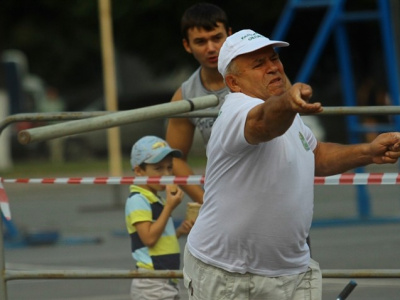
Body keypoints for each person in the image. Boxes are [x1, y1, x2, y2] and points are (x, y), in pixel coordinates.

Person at [183, 29, 400, 300]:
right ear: (234, 83)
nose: (272, 67)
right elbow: (263, 123)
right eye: (258, 64)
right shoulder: (237, 109)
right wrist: (287, 101)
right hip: (229, 275)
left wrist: (368, 152)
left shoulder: (284, 111)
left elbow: (316, 155)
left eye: (273, 59)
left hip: (291, 273)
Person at [165, 2, 232, 204]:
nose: (211, 48)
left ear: (229, 34)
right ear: (187, 45)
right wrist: (206, 201)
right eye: (201, 41)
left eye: (217, 38)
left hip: (274, 191)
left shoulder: (261, 73)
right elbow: (174, 158)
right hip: (226, 197)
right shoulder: (185, 95)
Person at [125, 135, 194, 300]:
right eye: (158, 169)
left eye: (169, 168)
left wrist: (178, 232)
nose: (166, 174)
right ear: (138, 171)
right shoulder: (138, 199)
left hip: (166, 279)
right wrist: (169, 207)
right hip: (152, 281)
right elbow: (148, 238)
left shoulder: (156, 199)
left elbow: (159, 239)